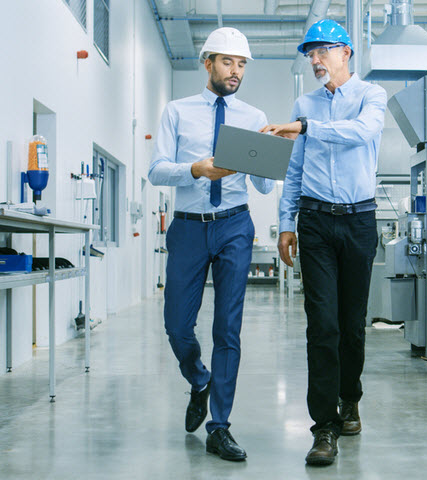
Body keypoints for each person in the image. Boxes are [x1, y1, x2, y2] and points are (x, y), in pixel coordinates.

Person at [260, 19, 387, 466]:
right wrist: (285, 221)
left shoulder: (371, 96)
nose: (314, 60)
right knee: (323, 326)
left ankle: (350, 398)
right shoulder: (304, 104)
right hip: (314, 222)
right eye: (310, 54)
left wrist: (306, 127)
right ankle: (324, 426)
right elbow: (295, 169)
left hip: (359, 221)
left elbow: (362, 133)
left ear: (346, 52)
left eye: (322, 51)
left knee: (352, 325)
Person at [148, 27, 274, 462]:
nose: (235, 71)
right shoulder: (177, 112)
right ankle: (199, 380)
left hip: (236, 224)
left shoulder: (254, 115)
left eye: (241, 64)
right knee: (177, 326)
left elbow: (261, 185)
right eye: (227, 62)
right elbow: (156, 170)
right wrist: (196, 170)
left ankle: (220, 426)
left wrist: (274, 154)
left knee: (228, 328)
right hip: (188, 226)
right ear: (208, 63)